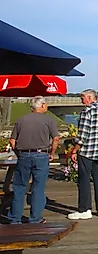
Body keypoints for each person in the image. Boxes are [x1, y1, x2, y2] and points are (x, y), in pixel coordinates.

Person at [8, 96, 60, 224]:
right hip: (42, 155)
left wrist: (19, 153)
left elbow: (12, 140)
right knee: (38, 187)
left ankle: (15, 218)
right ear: (42, 106)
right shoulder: (49, 120)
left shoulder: (21, 120)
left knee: (20, 187)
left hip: (24, 155)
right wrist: (52, 153)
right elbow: (56, 138)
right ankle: (35, 218)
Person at [68, 89, 98, 220]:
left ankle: (85, 209)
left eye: (83, 98)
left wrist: (75, 150)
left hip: (87, 151)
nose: (81, 101)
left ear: (90, 97)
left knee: (84, 180)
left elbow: (82, 135)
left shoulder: (87, 112)